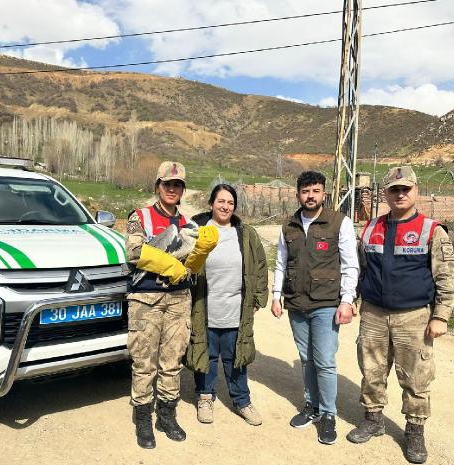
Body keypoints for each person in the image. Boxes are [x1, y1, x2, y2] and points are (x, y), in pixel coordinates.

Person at [347, 166, 454, 464]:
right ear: (386, 194)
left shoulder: (432, 230)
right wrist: (353, 298)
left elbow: (446, 277)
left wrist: (441, 316)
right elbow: (360, 269)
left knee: (416, 377)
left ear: (416, 191)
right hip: (374, 314)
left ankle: (415, 430)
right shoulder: (370, 228)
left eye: (406, 188)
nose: (400, 194)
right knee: (371, 370)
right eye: (394, 189)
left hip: (414, 317)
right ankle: (373, 419)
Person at [125, 161, 218, 449]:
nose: (172, 189)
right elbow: (134, 252)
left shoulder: (188, 224)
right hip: (146, 299)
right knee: (144, 361)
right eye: (167, 184)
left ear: (182, 189)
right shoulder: (140, 217)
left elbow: (191, 268)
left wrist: (201, 253)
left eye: (177, 185)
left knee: (172, 361)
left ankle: (167, 414)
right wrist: (167, 265)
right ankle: (143, 418)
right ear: (158, 186)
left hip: (179, 299)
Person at [271, 171, 359, 445]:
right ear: (298, 194)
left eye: (316, 191)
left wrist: (347, 300)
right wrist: (276, 295)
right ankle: (312, 407)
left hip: (326, 304)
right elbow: (281, 263)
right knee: (306, 358)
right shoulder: (289, 226)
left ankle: (329, 414)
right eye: (306, 191)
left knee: (324, 361)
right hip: (297, 303)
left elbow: (350, 264)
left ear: (324, 194)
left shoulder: (339, 223)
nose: (311, 196)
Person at [185, 184, 268, 426]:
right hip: (204, 307)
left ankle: (242, 401)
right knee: (206, 355)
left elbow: (261, 267)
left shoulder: (246, 234)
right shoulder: (196, 231)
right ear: (211, 203)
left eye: (230, 203)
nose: (225, 206)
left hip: (236, 309)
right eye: (221, 201)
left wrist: (257, 300)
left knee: (236, 358)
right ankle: (204, 397)